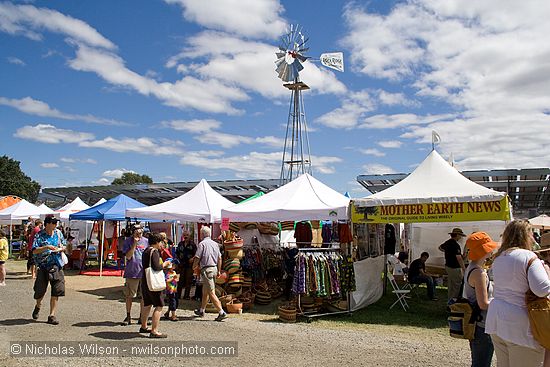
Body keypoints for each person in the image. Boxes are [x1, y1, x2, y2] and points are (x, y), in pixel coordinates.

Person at [486, 220, 550, 367]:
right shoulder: (529, 257)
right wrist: (546, 274)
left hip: (497, 318)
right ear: (525, 235)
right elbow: (541, 289)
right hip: (520, 322)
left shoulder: (499, 258)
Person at [464, 232, 499, 367]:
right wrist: (501, 303)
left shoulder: (472, 268)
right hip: (482, 325)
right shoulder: (479, 273)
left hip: (478, 323)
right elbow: (483, 304)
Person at [31, 215, 66, 325]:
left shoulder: (58, 233)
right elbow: (34, 250)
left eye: (56, 222)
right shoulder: (39, 235)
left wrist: (60, 249)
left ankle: (52, 315)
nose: (55, 224)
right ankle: (38, 305)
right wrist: (47, 247)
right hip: (43, 266)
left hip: (56, 265)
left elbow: (64, 245)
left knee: (57, 289)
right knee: (40, 291)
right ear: (47, 224)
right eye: (53, 222)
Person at [192, 226, 227, 322]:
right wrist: (219, 270)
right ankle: (202, 310)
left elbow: (197, 257)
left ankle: (221, 312)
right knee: (205, 291)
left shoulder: (202, 244)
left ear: (202, 234)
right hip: (214, 268)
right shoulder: (215, 244)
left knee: (211, 292)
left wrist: (194, 266)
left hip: (207, 270)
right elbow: (220, 258)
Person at [140, 233, 170, 338]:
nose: (162, 243)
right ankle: (154, 330)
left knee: (147, 304)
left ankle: (143, 326)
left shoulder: (146, 251)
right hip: (154, 282)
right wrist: (165, 264)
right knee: (159, 305)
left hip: (145, 280)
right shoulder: (154, 251)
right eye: (161, 241)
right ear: (157, 242)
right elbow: (157, 267)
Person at [121, 224, 149, 325]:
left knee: (144, 296)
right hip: (132, 272)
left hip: (143, 272)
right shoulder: (128, 241)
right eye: (137, 232)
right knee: (130, 296)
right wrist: (134, 244)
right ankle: (128, 316)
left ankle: (142, 317)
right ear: (133, 232)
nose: (139, 234)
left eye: (141, 231)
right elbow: (128, 256)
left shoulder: (146, 241)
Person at [439, 227, 467, 300]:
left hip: (448, 266)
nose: (461, 237)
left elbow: (440, 247)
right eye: (460, 235)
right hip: (454, 267)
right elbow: (459, 259)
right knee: (457, 286)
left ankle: (450, 300)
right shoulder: (455, 245)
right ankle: (454, 301)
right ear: (457, 235)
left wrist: (448, 252)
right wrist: (464, 269)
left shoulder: (447, 242)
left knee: (451, 285)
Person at [175, 230, 196, 300]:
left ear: (189, 236)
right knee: (180, 280)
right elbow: (177, 253)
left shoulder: (192, 244)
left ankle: (186, 296)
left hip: (189, 265)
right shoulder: (180, 244)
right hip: (181, 265)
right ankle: (178, 295)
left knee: (188, 281)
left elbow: (196, 254)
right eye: (184, 235)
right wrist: (177, 261)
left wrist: (192, 259)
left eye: (187, 235)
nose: (185, 236)